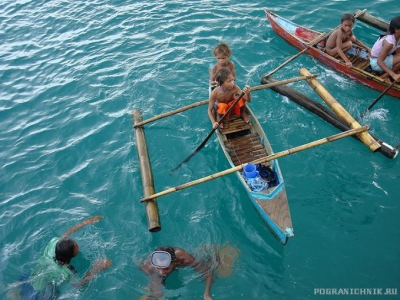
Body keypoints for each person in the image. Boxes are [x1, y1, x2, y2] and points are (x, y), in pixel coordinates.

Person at [7, 215, 112, 300]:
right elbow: (78, 285)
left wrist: (85, 223)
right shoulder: (68, 271)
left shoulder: (54, 243)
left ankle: (18, 292)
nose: (77, 244)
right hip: (42, 294)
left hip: (32, 278)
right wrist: (97, 268)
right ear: (71, 255)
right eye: (75, 246)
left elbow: (65, 235)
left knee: (30, 279)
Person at [138, 246, 213, 300]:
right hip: (156, 264)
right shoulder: (150, 265)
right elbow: (138, 262)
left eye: (166, 268)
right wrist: (153, 281)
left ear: (174, 262)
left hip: (191, 256)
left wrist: (207, 294)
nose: (161, 272)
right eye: (158, 268)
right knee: (157, 294)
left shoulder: (185, 260)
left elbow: (208, 273)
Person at [369, 16, 400, 81]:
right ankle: (385, 76)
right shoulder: (389, 42)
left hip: (385, 57)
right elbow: (379, 61)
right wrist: (393, 74)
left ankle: (395, 69)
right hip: (376, 63)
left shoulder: (396, 35)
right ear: (396, 30)